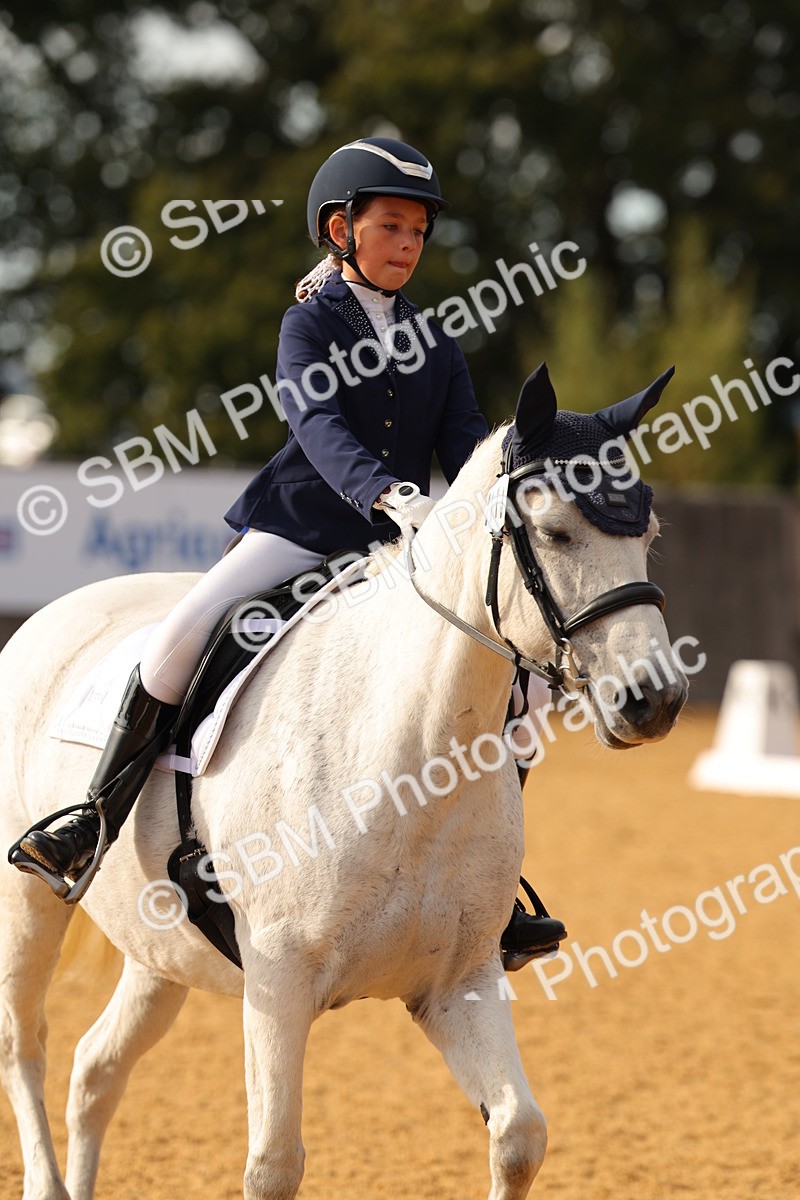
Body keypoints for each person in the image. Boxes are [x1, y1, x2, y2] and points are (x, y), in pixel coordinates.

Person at [10, 137, 565, 961]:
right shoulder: (306, 323)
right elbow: (318, 425)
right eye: (390, 228)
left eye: (418, 232)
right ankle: (91, 819)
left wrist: (484, 496)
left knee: (523, 689)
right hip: (303, 527)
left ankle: (494, 888)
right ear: (340, 229)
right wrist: (384, 491)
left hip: (399, 546)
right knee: (177, 638)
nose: (408, 245)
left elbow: (462, 441)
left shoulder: (439, 342)